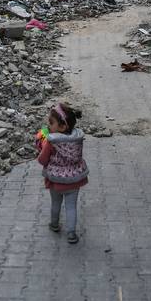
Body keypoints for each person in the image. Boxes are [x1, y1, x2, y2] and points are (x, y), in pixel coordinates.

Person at [36, 102, 88, 243]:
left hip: (56, 180)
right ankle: (71, 233)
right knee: (71, 206)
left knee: (56, 203)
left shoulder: (51, 142)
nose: (48, 126)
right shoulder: (77, 139)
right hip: (74, 179)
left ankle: (54, 225)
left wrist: (40, 146)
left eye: (51, 123)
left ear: (63, 126)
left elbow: (42, 160)